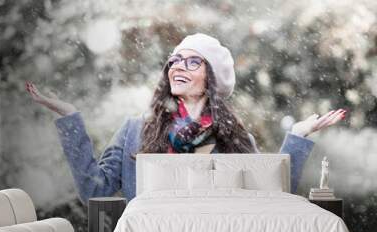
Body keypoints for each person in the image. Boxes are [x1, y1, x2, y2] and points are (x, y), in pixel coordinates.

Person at [25, 33, 346, 205]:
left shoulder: (235, 137)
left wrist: (298, 137)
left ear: (212, 79)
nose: (178, 67)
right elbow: (94, 191)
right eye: (175, 61)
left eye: (193, 62)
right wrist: (70, 119)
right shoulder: (135, 130)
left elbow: (270, 194)